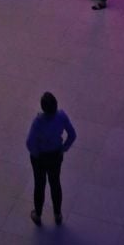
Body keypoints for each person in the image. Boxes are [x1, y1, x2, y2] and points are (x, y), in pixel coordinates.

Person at [25, 92, 77, 226]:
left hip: (40, 158)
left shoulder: (38, 122)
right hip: (55, 156)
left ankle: (38, 214)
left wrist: (36, 155)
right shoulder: (61, 116)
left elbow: (30, 142)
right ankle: (58, 214)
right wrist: (63, 148)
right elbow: (72, 134)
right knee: (55, 183)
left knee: (39, 184)